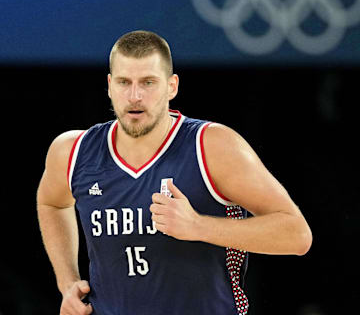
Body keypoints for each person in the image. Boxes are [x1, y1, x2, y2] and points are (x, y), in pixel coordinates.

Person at [37, 30, 312, 315]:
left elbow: (296, 234)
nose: (135, 96)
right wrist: (67, 281)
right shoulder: (73, 151)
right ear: (109, 85)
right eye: (124, 82)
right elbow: (52, 203)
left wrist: (198, 226)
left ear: (172, 86)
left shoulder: (212, 145)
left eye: (148, 82)